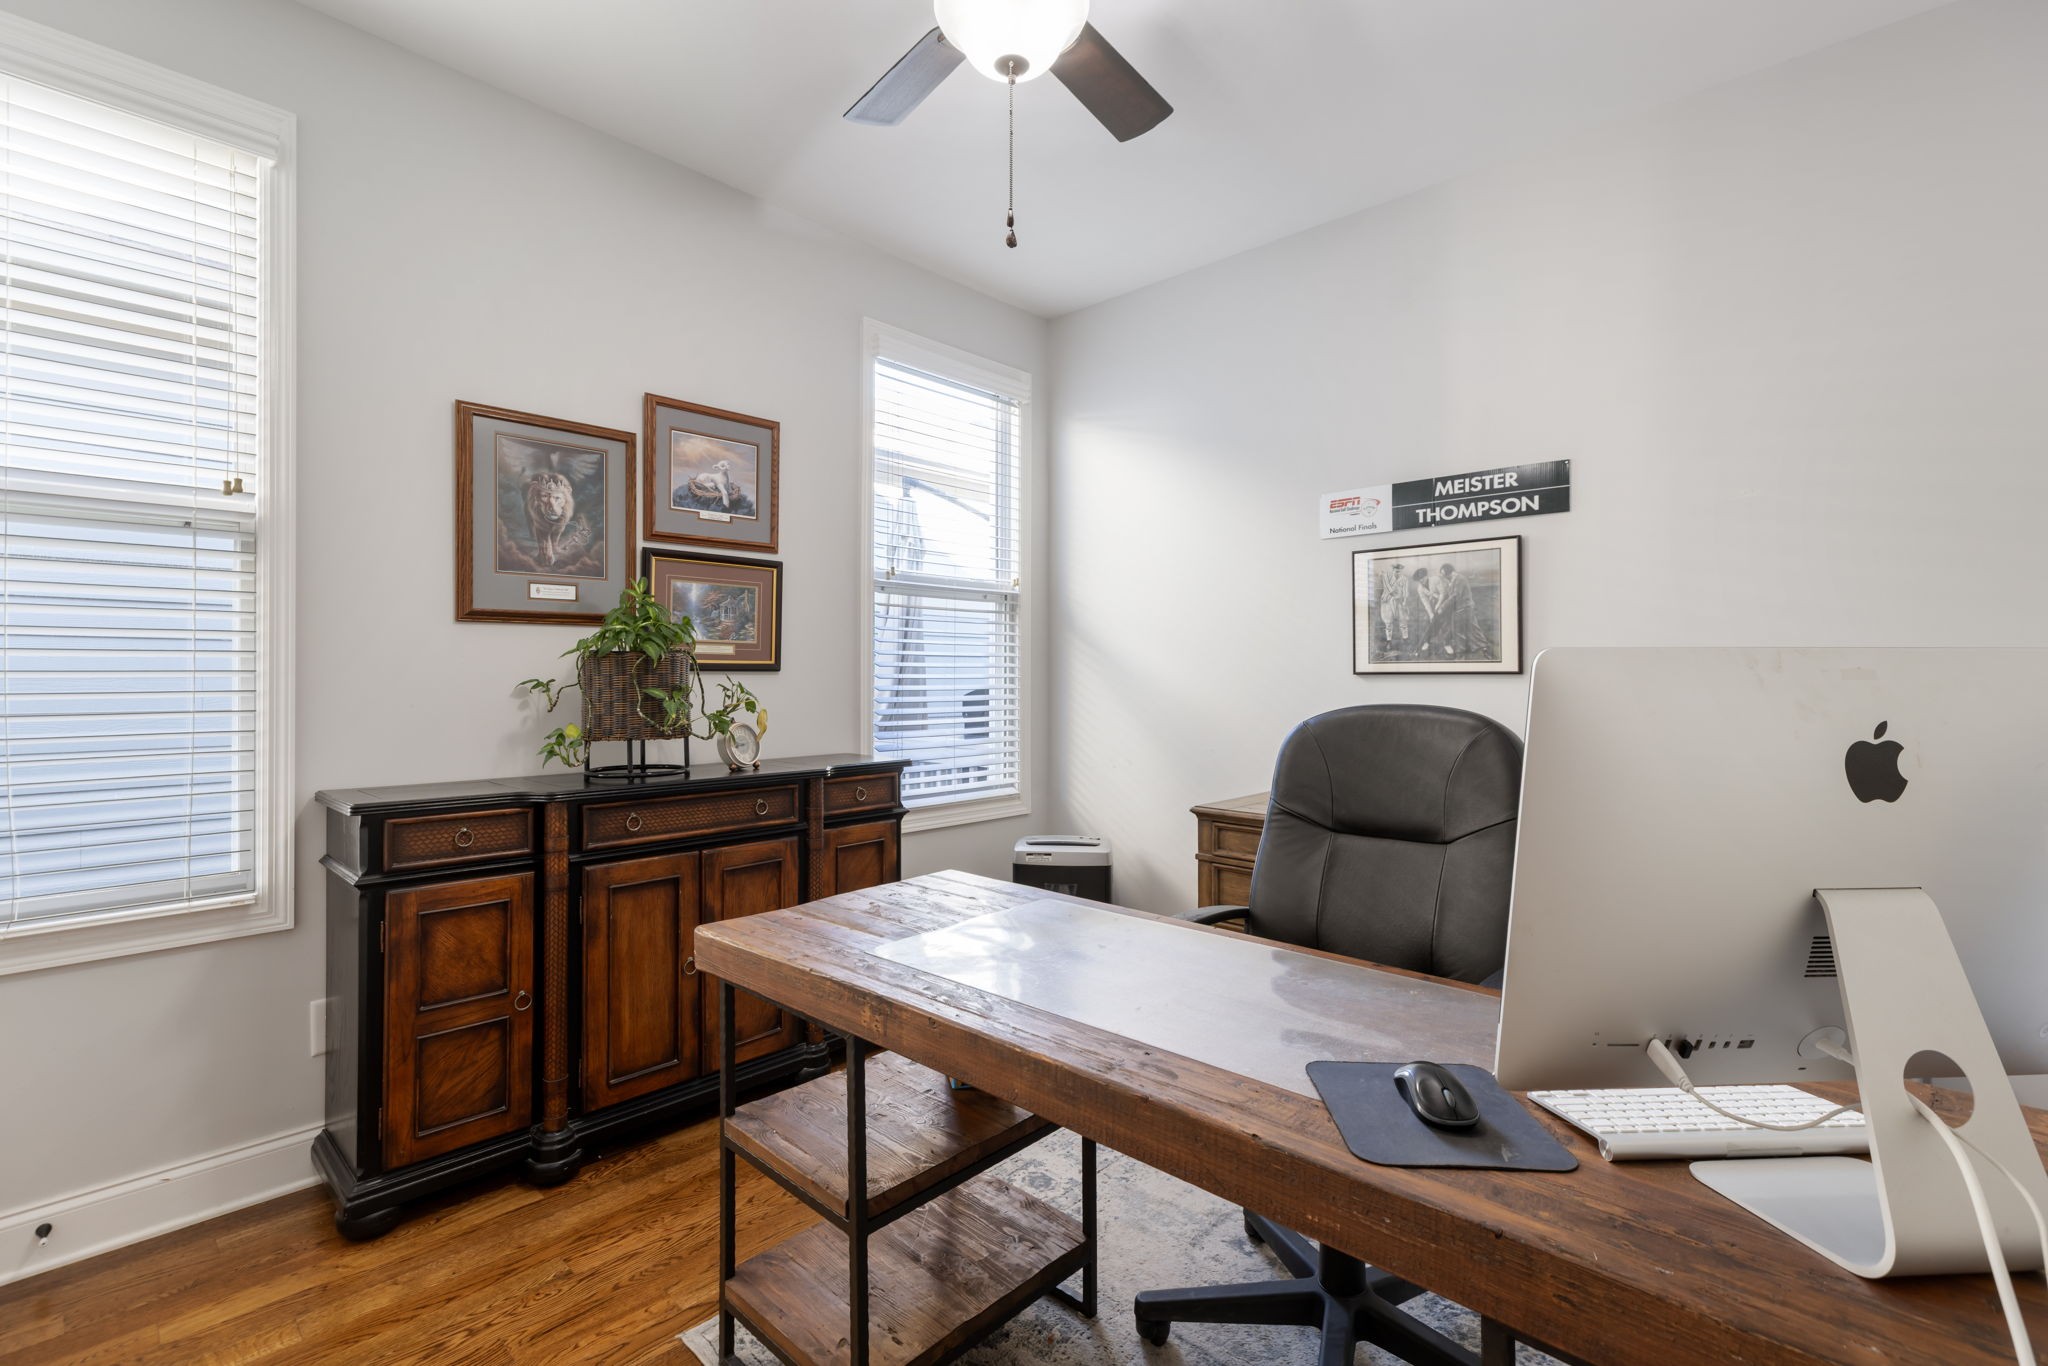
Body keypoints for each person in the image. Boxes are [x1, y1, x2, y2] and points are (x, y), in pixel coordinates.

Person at [1429, 562, 1483, 659]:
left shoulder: (1460, 580)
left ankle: (1461, 652)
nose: (1444, 577)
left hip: (1464, 608)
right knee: (1472, 628)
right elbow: (1449, 595)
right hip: (1462, 608)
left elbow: (1454, 596)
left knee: (1460, 630)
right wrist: (1438, 602)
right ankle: (1480, 647)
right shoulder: (1453, 580)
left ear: (1451, 572)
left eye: (1445, 575)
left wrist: (1442, 607)